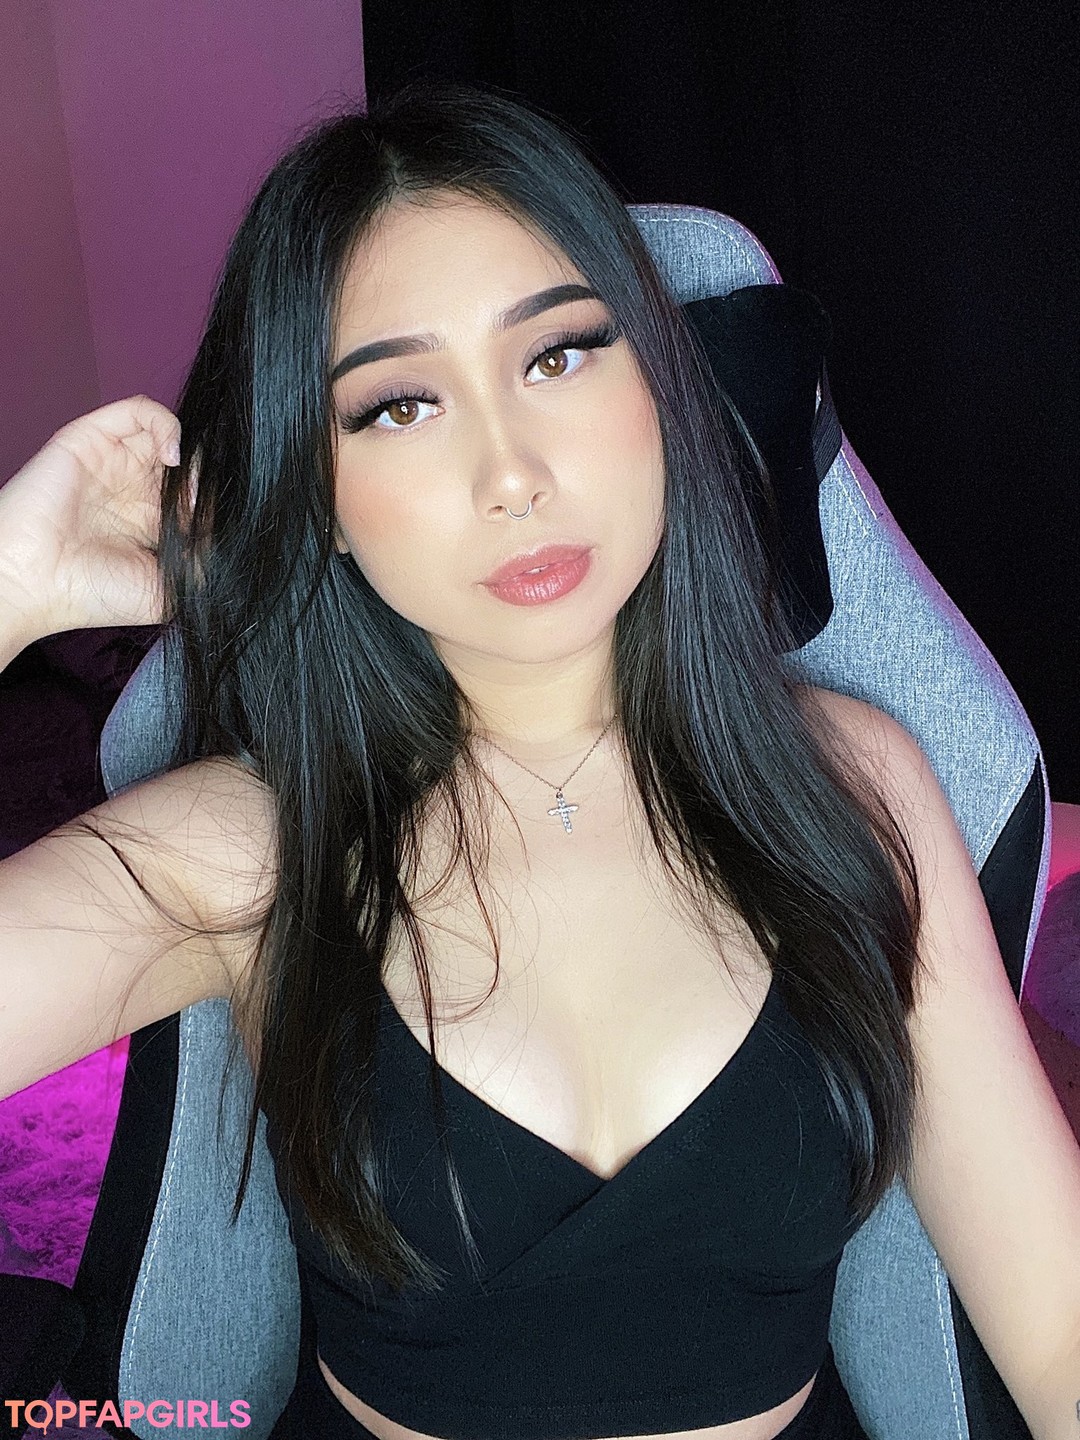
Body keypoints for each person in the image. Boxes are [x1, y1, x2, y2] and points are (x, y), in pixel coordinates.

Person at [2, 80, 1078, 1440]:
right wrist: (12, 589)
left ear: (658, 386)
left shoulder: (855, 793)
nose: (510, 473)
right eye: (399, 406)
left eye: (559, 355)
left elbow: (1057, 1317)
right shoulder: (252, 847)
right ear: (315, 497)